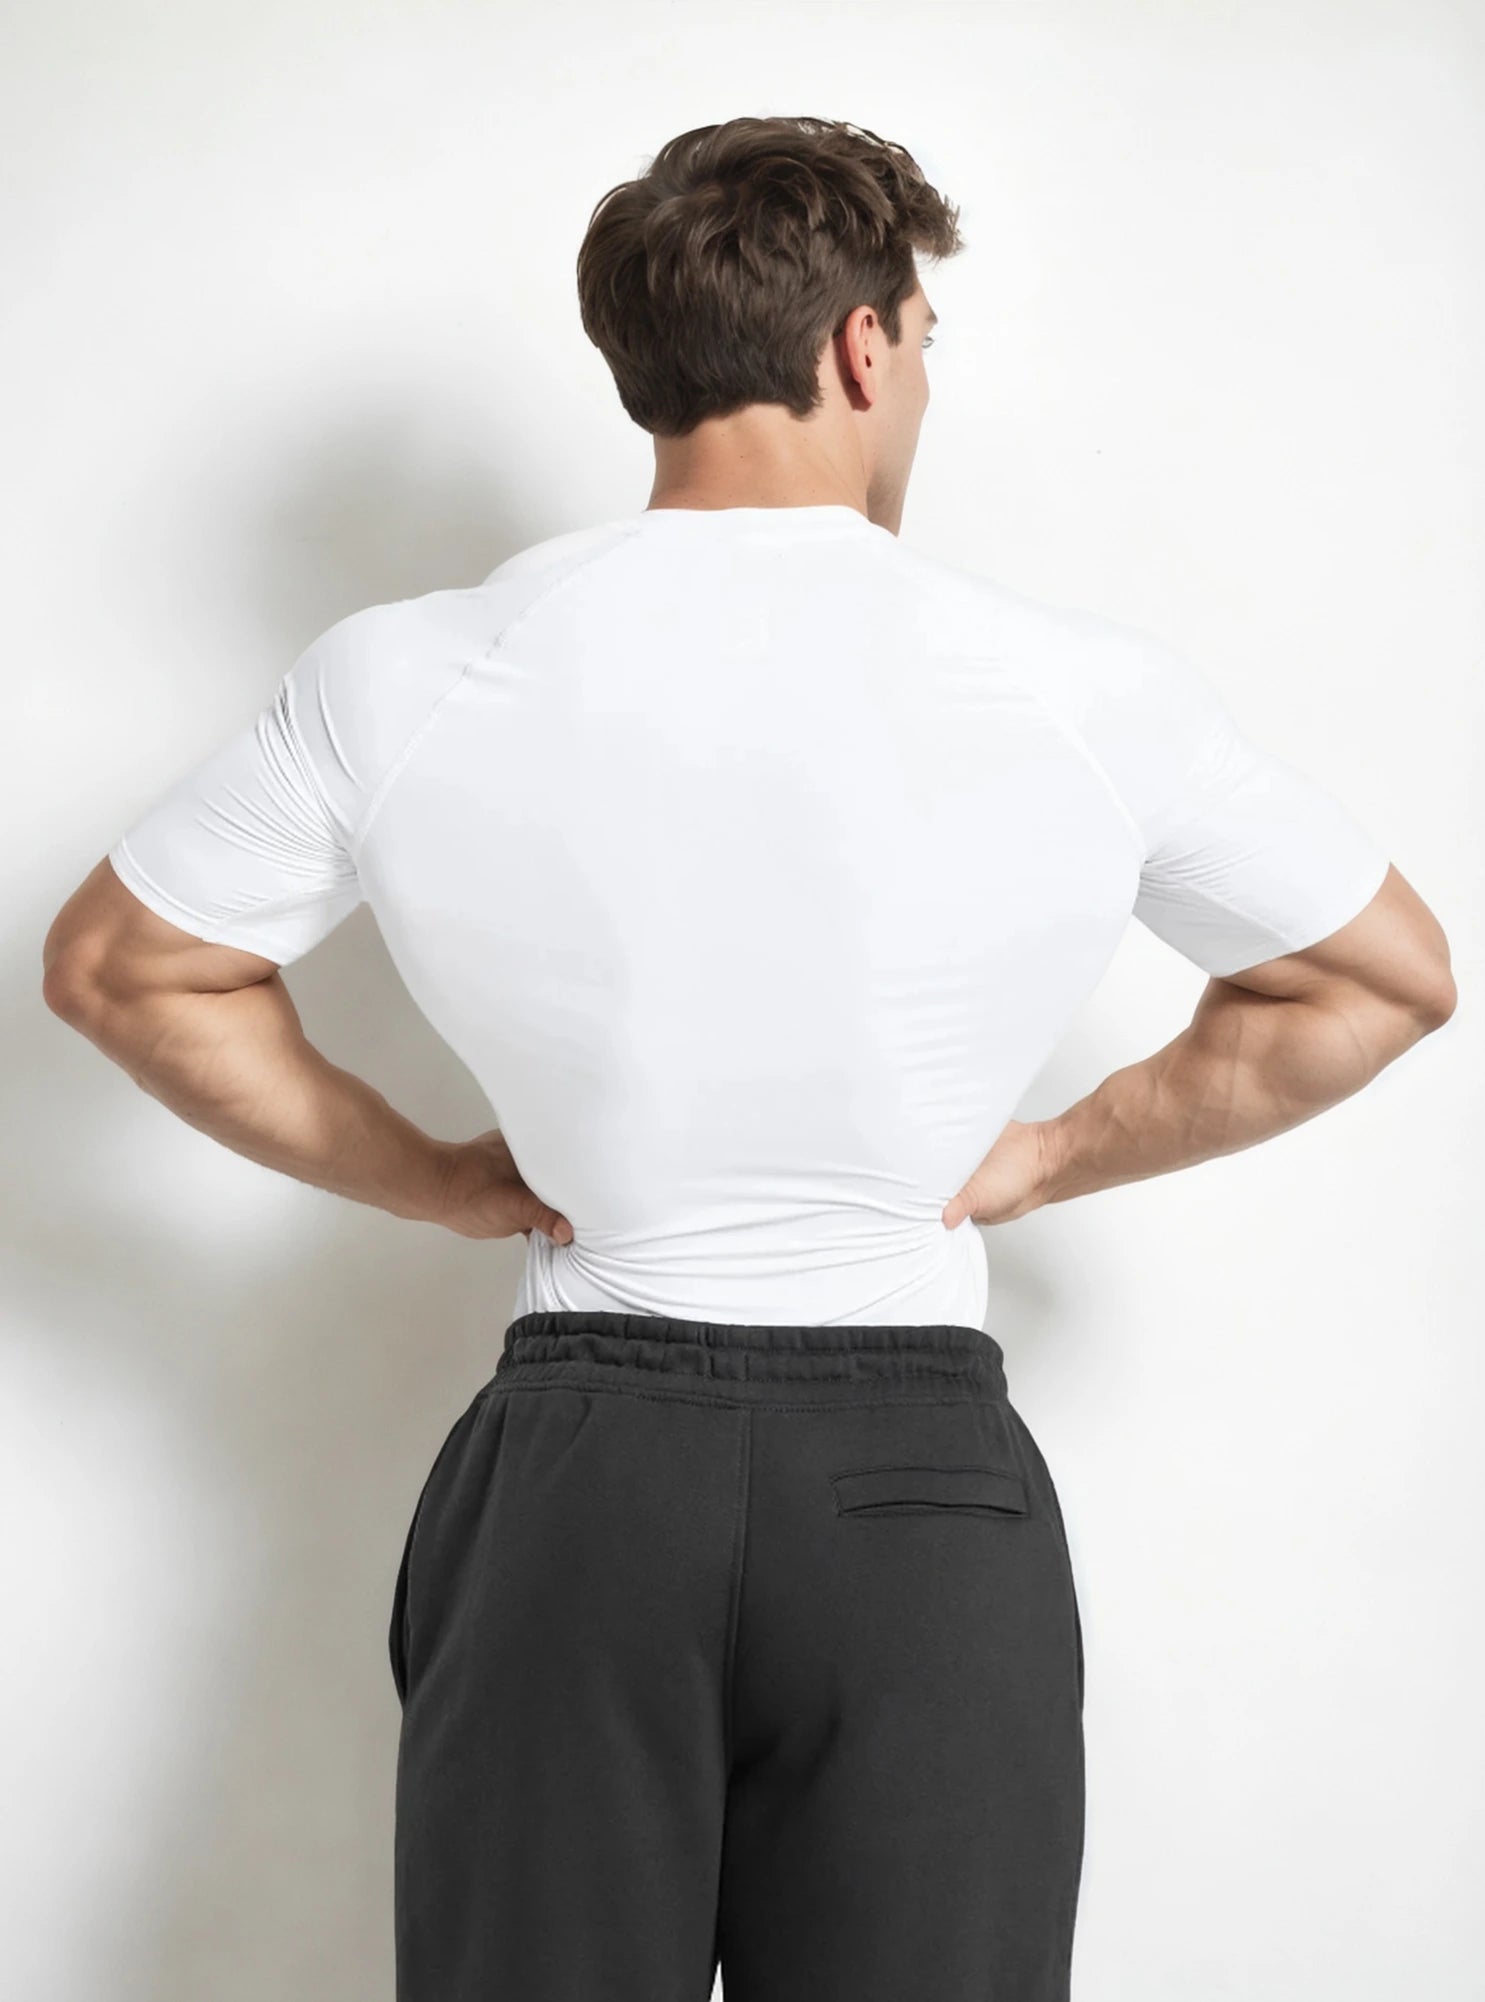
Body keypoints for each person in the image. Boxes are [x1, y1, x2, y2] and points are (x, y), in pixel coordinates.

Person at [42, 113, 1455, 2002]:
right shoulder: (1072, 685)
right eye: (925, 342)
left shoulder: (414, 668)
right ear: (861, 345)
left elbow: (124, 969)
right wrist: (1047, 1153)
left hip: (577, 1475)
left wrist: (428, 1171)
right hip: (916, 1497)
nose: (921, 386)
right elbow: (1385, 979)